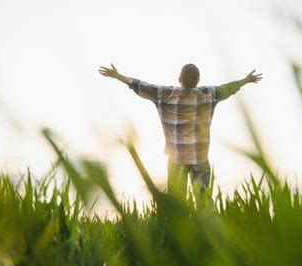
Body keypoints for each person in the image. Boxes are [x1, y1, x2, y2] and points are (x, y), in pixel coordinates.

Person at [98, 63, 262, 199]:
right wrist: (246, 80)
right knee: (204, 202)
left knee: (178, 205)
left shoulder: (166, 94)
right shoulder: (209, 94)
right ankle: (205, 236)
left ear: (179, 79)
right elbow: (229, 88)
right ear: (198, 80)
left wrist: (117, 76)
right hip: (200, 160)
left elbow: (139, 85)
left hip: (177, 160)